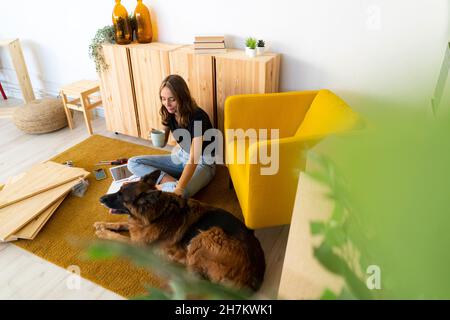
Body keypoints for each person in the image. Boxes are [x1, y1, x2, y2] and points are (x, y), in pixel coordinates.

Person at [127, 74, 216, 198]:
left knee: (181, 193)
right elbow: (162, 143)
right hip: (180, 156)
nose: (167, 104)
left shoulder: (198, 117)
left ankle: (164, 186)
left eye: (172, 99)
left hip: (202, 162)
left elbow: (193, 159)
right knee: (132, 163)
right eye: (163, 98)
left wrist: (179, 188)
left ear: (182, 97)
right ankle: (169, 184)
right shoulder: (169, 112)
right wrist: (155, 134)